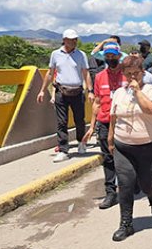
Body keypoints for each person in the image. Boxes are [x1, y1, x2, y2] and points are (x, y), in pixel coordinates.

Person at [107, 56, 152, 241]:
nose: (132, 77)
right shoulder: (118, 93)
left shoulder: (151, 89)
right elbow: (113, 117)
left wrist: (138, 91)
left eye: (136, 73)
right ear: (123, 74)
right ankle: (126, 224)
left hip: (148, 146)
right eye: (128, 74)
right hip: (123, 146)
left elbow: (150, 109)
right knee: (125, 184)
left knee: (147, 183)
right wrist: (110, 139)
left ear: (143, 73)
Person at [83, 42, 129, 210]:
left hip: (124, 122)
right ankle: (110, 193)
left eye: (113, 55)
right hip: (104, 121)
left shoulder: (127, 75)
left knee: (127, 156)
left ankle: (129, 185)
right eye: (107, 56)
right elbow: (96, 101)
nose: (110, 58)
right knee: (108, 159)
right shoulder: (100, 76)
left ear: (119, 56)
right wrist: (91, 126)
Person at [37, 29, 93, 163]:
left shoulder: (81, 55)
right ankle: (63, 150)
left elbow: (86, 73)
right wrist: (42, 90)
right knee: (62, 122)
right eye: (71, 39)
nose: (74, 42)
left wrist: (90, 90)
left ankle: (81, 142)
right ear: (64, 40)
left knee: (80, 120)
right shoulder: (55, 54)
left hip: (77, 92)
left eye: (75, 39)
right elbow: (50, 73)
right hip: (61, 92)